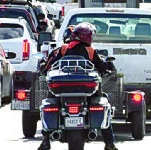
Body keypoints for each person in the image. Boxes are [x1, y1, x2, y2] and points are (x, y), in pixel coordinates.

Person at [38, 22, 118, 150]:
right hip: (87, 88)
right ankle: (109, 143)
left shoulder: (63, 49)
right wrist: (108, 66)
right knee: (104, 103)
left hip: (60, 88)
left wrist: (43, 67)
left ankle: (45, 141)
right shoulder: (90, 51)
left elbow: (49, 65)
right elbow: (102, 67)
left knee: (50, 101)